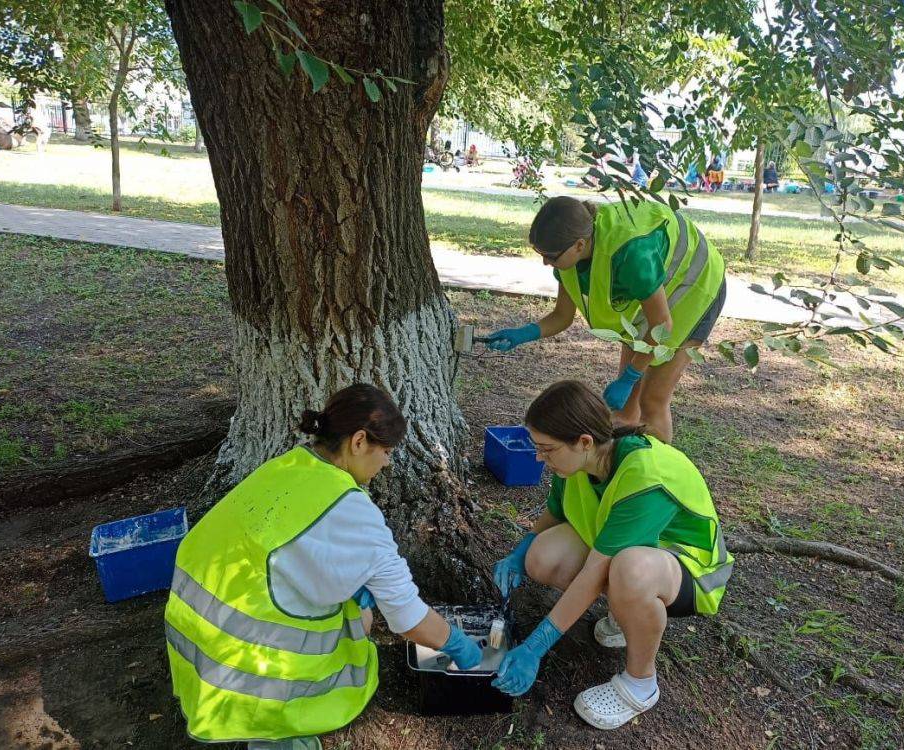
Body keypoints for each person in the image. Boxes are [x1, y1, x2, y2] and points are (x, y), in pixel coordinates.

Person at [165, 384, 482, 750]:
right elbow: (409, 619)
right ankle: (275, 729)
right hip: (244, 673)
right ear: (359, 442)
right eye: (387, 452)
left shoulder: (291, 464)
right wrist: (457, 644)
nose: (387, 463)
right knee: (359, 623)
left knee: (357, 612)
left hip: (193, 643)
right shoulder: (354, 513)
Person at [490, 381, 733, 729]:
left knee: (629, 570)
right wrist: (519, 552)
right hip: (627, 552)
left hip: (691, 570)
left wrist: (534, 648)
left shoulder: (644, 473)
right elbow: (555, 513)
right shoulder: (578, 462)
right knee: (543, 556)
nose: (539, 458)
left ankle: (640, 684)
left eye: (546, 449)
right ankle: (626, 612)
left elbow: (595, 571)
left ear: (584, 441)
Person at [484, 195, 727, 443]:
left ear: (579, 245)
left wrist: (630, 377)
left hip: (696, 288)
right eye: (541, 253)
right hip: (653, 296)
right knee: (624, 409)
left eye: (551, 256)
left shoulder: (631, 253)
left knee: (652, 399)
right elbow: (561, 316)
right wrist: (522, 334)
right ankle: (624, 465)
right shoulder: (570, 257)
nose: (546, 262)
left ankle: (656, 475)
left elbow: (662, 325)